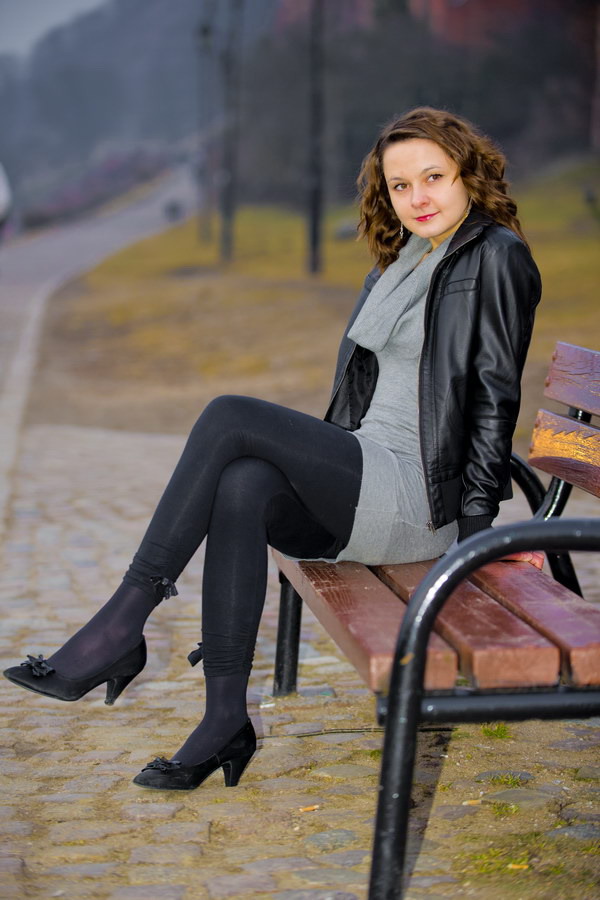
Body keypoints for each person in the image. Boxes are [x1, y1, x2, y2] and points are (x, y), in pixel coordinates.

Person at [3, 107, 542, 791]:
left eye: (434, 177)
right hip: (368, 471)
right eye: (401, 185)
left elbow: (495, 399)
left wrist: (473, 538)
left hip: (417, 497)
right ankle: (224, 718)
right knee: (244, 483)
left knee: (229, 415)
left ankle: (120, 626)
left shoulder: (496, 255)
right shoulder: (404, 262)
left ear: (468, 172)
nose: (418, 198)